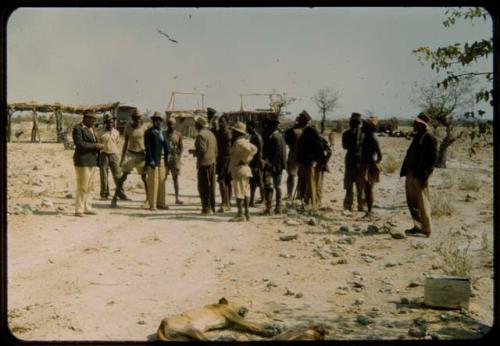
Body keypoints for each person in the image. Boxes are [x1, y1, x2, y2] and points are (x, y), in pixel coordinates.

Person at [400, 112, 438, 238]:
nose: (414, 125)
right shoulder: (418, 137)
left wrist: (426, 175)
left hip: (420, 175)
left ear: (422, 124)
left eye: (416, 123)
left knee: (422, 201)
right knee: (412, 201)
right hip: (411, 173)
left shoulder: (430, 138)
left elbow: (432, 160)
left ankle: (427, 228)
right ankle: (418, 226)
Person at [111, 109, 148, 208]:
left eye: (139, 118)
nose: (137, 120)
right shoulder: (128, 128)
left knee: (144, 177)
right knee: (123, 177)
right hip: (130, 154)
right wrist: (122, 158)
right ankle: (114, 198)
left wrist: (147, 155)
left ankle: (148, 199)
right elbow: (125, 144)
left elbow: (148, 143)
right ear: (132, 118)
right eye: (135, 118)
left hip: (141, 155)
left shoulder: (145, 128)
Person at [72, 110, 103, 216]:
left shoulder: (92, 129)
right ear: (85, 118)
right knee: (83, 186)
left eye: (94, 120)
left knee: (91, 186)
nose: (93, 121)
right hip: (83, 161)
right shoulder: (78, 128)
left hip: (92, 161)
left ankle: (87, 207)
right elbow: (79, 143)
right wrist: (95, 146)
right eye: (92, 119)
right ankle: (79, 209)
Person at [296, 110, 329, 210]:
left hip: (311, 164)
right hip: (305, 163)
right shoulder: (305, 132)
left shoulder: (310, 132)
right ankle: (308, 203)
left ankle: (314, 205)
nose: (298, 121)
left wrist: (320, 162)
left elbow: (322, 149)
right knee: (306, 185)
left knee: (313, 186)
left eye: (300, 119)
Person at [228, 121, 258, 221]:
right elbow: (254, 149)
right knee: (245, 192)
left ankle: (240, 214)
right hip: (245, 169)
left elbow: (250, 150)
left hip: (239, 169)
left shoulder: (239, 142)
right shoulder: (245, 140)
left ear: (237, 132)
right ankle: (247, 213)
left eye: (234, 131)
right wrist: (247, 159)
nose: (232, 133)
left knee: (239, 192)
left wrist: (244, 159)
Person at [190, 116, 218, 215]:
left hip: (204, 164)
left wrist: (194, 152)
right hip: (212, 163)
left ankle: (206, 208)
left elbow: (202, 150)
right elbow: (215, 150)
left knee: (204, 187)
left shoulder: (201, 135)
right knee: (212, 186)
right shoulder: (211, 134)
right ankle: (212, 207)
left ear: (198, 125)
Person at [144, 112, 170, 211]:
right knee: (153, 182)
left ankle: (161, 203)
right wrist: (150, 159)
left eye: (158, 120)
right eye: (155, 120)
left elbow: (167, 147)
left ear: (161, 121)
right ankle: (153, 204)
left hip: (162, 160)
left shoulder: (163, 132)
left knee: (162, 182)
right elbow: (147, 147)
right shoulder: (149, 132)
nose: (156, 122)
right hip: (153, 160)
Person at [261, 117, 287, 215]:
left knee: (269, 186)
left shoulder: (274, 138)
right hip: (279, 166)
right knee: (278, 186)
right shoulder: (280, 136)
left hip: (272, 166)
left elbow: (276, 154)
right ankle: (278, 207)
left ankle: (269, 209)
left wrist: (269, 164)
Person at [97, 113, 125, 200]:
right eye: (108, 122)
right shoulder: (100, 132)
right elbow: (98, 144)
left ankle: (121, 193)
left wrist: (118, 155)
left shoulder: (116, 132)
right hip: (104, 155)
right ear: (105, 123)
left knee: (117, 175)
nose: (110, 124)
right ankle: (104, 194)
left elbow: (117, 143)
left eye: (112, 122)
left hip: (114, 155)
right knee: (104, 175)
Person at [358, 116, 382, 218]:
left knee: (369, 190)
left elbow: (379, 155)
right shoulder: (366, 137)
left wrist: (373, 164)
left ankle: (370, 211)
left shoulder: (372, 139)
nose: (362, 126)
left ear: (369, 127)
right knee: (366, 189)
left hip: (369, 167)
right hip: (365, 165)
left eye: (364, 125)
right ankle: (368, 211)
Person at [342, 112, 365, 214]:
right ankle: (360, 205)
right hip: (357, 162)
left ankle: (350, 206)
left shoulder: (346, 134)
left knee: (351, 186)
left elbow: (345, 146)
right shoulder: (364, 134)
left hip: (352, 162)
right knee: (357, 186)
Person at [164, 117, 184, 205]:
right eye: (169, 124)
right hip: (165, 158)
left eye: (172, 124)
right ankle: (161, 198)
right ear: (167, 125)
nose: (171, 126)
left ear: (175, 125)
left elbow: (181, 147)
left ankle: (177, 198)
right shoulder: (163, 134)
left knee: (175, 179)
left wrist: (179, 157)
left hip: (174, 158)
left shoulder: (178, 134)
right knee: (162, 178)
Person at [283, 115, 304, 201]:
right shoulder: (304, 131)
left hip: (293, 154)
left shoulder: (290, 131)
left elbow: (287, 142)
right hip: (303, 155)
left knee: (291, 175)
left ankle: (290, 195)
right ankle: (300, 194)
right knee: (301, 175)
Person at [215, 115, 233, 212]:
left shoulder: (228, 133)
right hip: (221, 159)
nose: (220, 123)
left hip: (227, 159)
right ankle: (227, 202)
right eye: (219, 121)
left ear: (226, 122)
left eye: (222, 121)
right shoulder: (219, 132)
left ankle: (225, 203)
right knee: (226, 181)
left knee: (223, 181)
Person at [246, 118, 264, 207]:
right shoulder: (252, 136)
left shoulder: (257, 137)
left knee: (260, 182)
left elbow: (259, 152)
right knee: (253, 183)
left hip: (256, 163)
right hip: (252, 163)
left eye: (248, 127)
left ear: (252, 127)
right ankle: (252, 201)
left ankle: (263, 199)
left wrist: (257, 165)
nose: (246, 129)